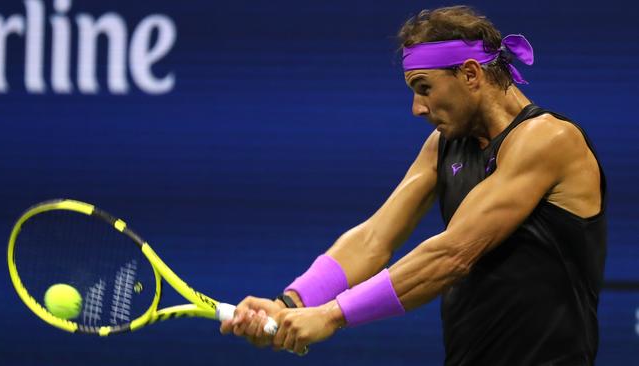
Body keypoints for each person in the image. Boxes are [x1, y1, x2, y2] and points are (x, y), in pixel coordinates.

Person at [220, 5, 607, 365]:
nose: (417, 108)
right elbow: (374, 238)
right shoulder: (444, 145)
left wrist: (331, 315)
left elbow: (452, 255)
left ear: (471, 74)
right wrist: (291, 302)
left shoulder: (548, 139)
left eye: (424, 88)